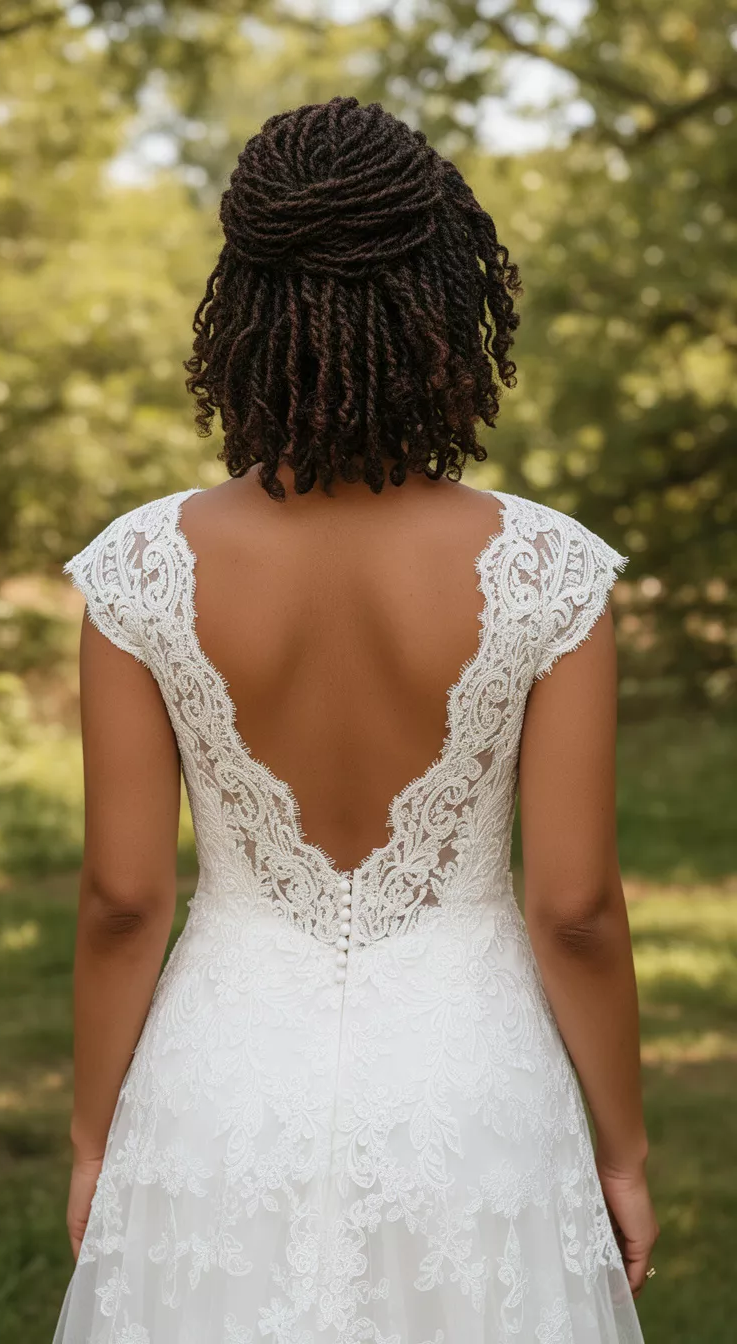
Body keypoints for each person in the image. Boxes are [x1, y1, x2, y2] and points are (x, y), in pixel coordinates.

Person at [52, 95, 657, 1344]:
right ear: (446, 301)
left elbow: (122, 897)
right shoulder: (551, 571)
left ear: (247, 309)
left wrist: (92, 1134)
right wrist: (626, 1152)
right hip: (473, 1086)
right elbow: (577, 910)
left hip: (219, 1092)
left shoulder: (139, 567)